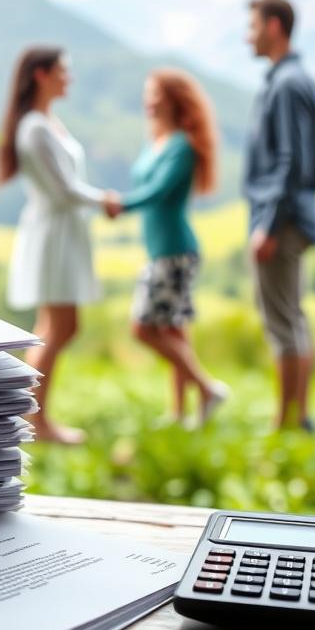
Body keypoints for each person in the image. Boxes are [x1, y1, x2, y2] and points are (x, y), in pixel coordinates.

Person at [0, 46, 118, 445]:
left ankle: (32, 415)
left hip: (63, 232)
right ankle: (36, 418)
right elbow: (64, 189)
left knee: (54, 326)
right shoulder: (34, 127)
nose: (70, 77)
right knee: (60, 327)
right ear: (41, 75)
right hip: (54, 235)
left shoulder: (45, 122)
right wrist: (104, 200)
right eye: (63, 70)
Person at [105, 69, 229, 426]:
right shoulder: (155, 142)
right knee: (174, 332)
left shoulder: (181, 146)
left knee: (143, 329)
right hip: (161, 251)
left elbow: (158, 192)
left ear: (172, 98)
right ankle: (179, 413)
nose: (148, 100)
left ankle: (207, 390)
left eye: (154, 93)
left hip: (176, 252)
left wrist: (122, 204)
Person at [243, 0, 315, 431]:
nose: (246, 36)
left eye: (252, 26)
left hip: (282, 219)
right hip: (293, 216)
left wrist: (268, 224)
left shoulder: (287, 84)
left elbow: (290, 161)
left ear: (274, 26)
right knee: (293, 316)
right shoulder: (292, 79)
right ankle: (299, 417)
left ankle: (287, 421)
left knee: (282, 321)